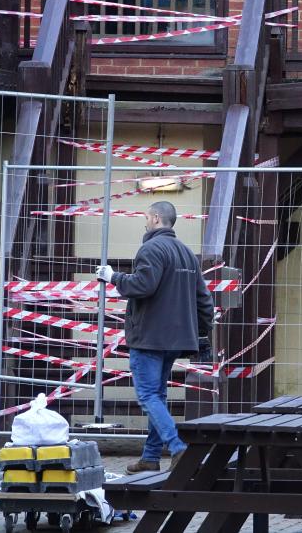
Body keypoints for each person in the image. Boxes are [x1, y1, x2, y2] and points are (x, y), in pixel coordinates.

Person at [96, 201, 214, 474]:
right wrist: (204, 333)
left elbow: (143, 285)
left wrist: (114, 277)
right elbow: (204, 300)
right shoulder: (186, 253)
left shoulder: (151, 248)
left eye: (147, 217)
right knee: (157, 395)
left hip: (149, 337)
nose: (145, 222)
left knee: (148, 395)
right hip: (177, 339)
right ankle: (150, 457)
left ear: (157, 218)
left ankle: (178, 448)